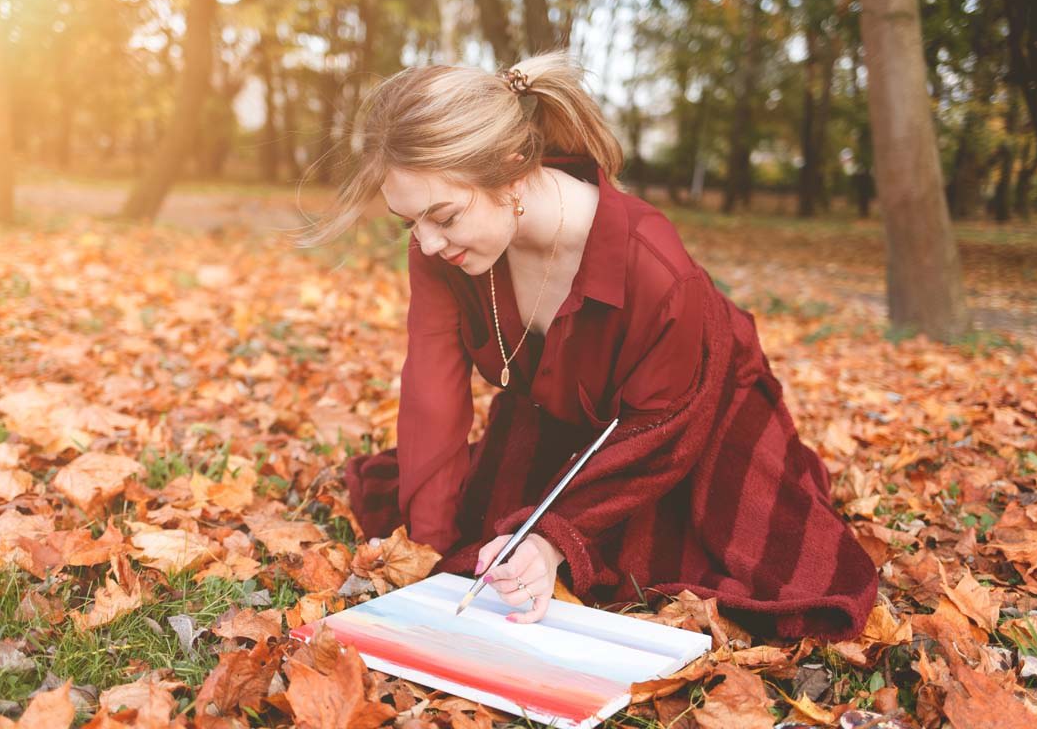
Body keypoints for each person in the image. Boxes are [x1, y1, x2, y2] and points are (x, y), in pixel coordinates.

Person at [299, 50, 877, 640]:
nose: (425, 242)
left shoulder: (653, 268)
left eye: (443, 216)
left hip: (694, 418)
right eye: (408, 223)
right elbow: (432, 395)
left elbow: (661, 428)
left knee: (719, 562)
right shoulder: (443, 251)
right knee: (480, 538)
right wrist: (427, 554)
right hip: (563, 414)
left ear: (511, 167)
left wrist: (555, 539)